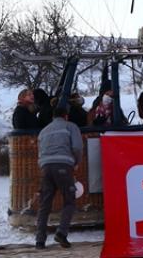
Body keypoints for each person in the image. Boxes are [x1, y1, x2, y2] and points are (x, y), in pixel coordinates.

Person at [35, 104, 83, 249]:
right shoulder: (71, 126)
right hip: (63, 165)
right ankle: (61, 233)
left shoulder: (43, 131)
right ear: (66, 116)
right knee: (69, 200)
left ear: (53, 117)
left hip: (45, 167)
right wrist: (76, 162)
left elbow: (40, 152)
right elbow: (77, 147)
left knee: (45, 204)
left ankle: (39, 241)